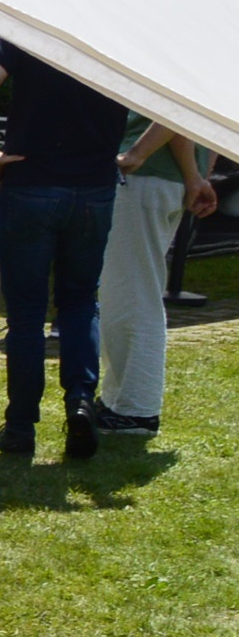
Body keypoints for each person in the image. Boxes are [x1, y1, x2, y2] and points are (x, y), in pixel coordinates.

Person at [0, 39, 125, 459]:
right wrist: (139, 153)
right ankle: (80, 402)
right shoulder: (120, 36)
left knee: (26, 315)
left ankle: (20, 427)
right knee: (80, 301)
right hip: (95, 188)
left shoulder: (28, 31)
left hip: (30, 184)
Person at [93, 116, 218, 435]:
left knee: (132, 294)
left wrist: (137, 154)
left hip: (144, 178)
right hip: (162, 181)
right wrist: (198, 177)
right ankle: (118, 401)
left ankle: (137, 411)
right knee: (124, 293)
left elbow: (175, 112)